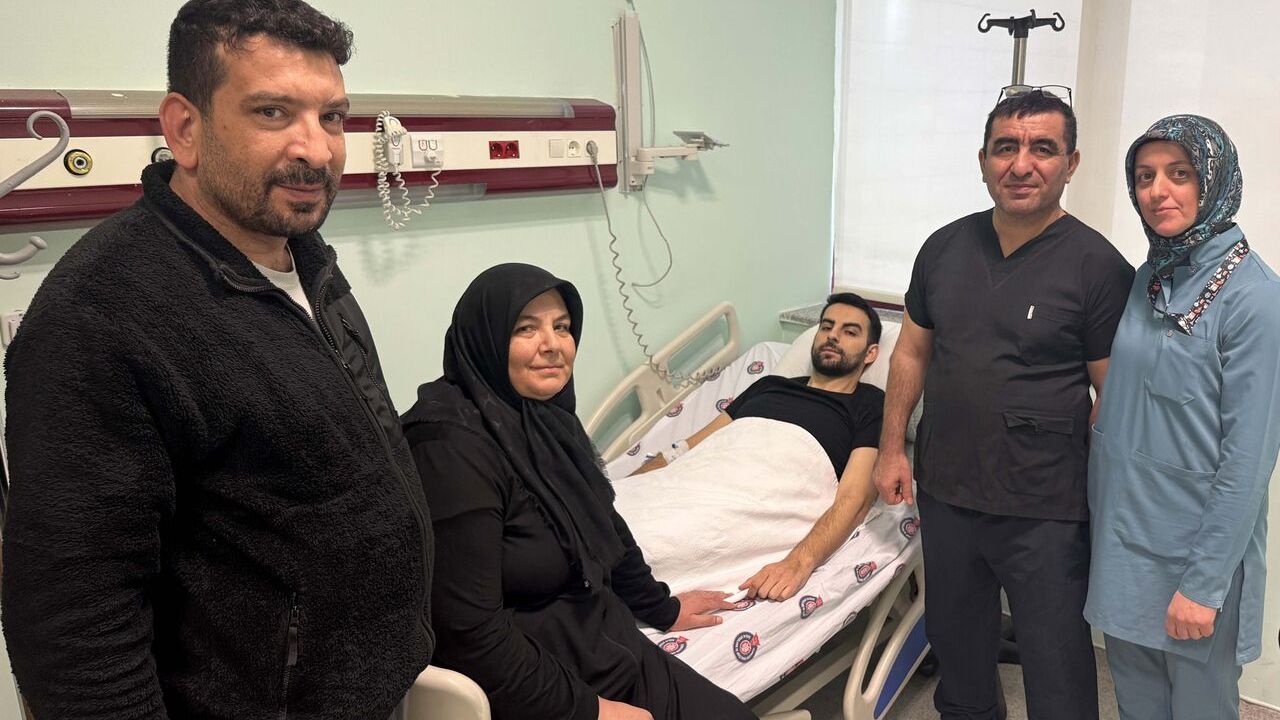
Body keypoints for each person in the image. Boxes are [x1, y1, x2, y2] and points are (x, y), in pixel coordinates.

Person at [1, 2, 433, 718]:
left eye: (332, 117)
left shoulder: (305, 262)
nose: (317, 149)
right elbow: (76, 633)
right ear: (185, 129)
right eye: (273, 112)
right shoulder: (102, 314)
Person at [871, 88, 1134, 720]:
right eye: (1005, 148)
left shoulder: (1098, 266)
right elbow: (910, 354)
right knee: (957, 646)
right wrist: (890, 447)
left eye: (1042, 148)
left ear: (1071, 163)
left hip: (1044, 509)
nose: (1021, 164)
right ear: (983, 160)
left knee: (1056, 662)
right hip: (947, 490)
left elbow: (1116, 395)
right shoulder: (943, 248)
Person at [401, 263, 755, 720]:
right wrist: (591, 711)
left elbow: (601, 521)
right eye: (526, 328)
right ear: (485, 337)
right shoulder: (449, 450)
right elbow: (468, 633)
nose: (553, 344)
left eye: (563, 327)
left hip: (606, 648)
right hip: (539, 687)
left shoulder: (543, 417)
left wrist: (661, 607)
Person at [1086, 115, 1280, 720]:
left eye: (1179, 173)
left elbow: (1248, 464)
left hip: (1192, 559)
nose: (1157, 191)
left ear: (1213, 180)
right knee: (1137, 701)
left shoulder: (1256, 298)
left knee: (1199, 708)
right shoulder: (1150, 277)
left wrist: (1202, 585)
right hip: (1123, 543)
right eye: (1145, 177)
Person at [633, 293, 885, 602]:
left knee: (645, 543)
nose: (832, 335)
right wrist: (635, 481)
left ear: (871, 353)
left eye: (849, 331)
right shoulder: (769, 385)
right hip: (698, 478)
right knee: (602, 515)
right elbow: (691, 447)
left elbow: (856, 497)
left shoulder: (870, 404)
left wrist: (799, 562)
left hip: (754, 496)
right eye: (826, 326)